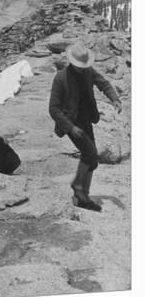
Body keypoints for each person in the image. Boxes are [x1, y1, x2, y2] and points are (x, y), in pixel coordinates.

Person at [49, 42, 122, 212]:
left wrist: (115, 99)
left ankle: (82, 193)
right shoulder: (61, 78)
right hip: (71, 123)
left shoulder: (88, 72)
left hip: (86, 120)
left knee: (93, 160)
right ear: (71, 63)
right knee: (90, 155)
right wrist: (70, 127)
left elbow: (104, 83)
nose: (82, 69)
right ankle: (80, 192)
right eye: (79, 66)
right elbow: (53, 109)